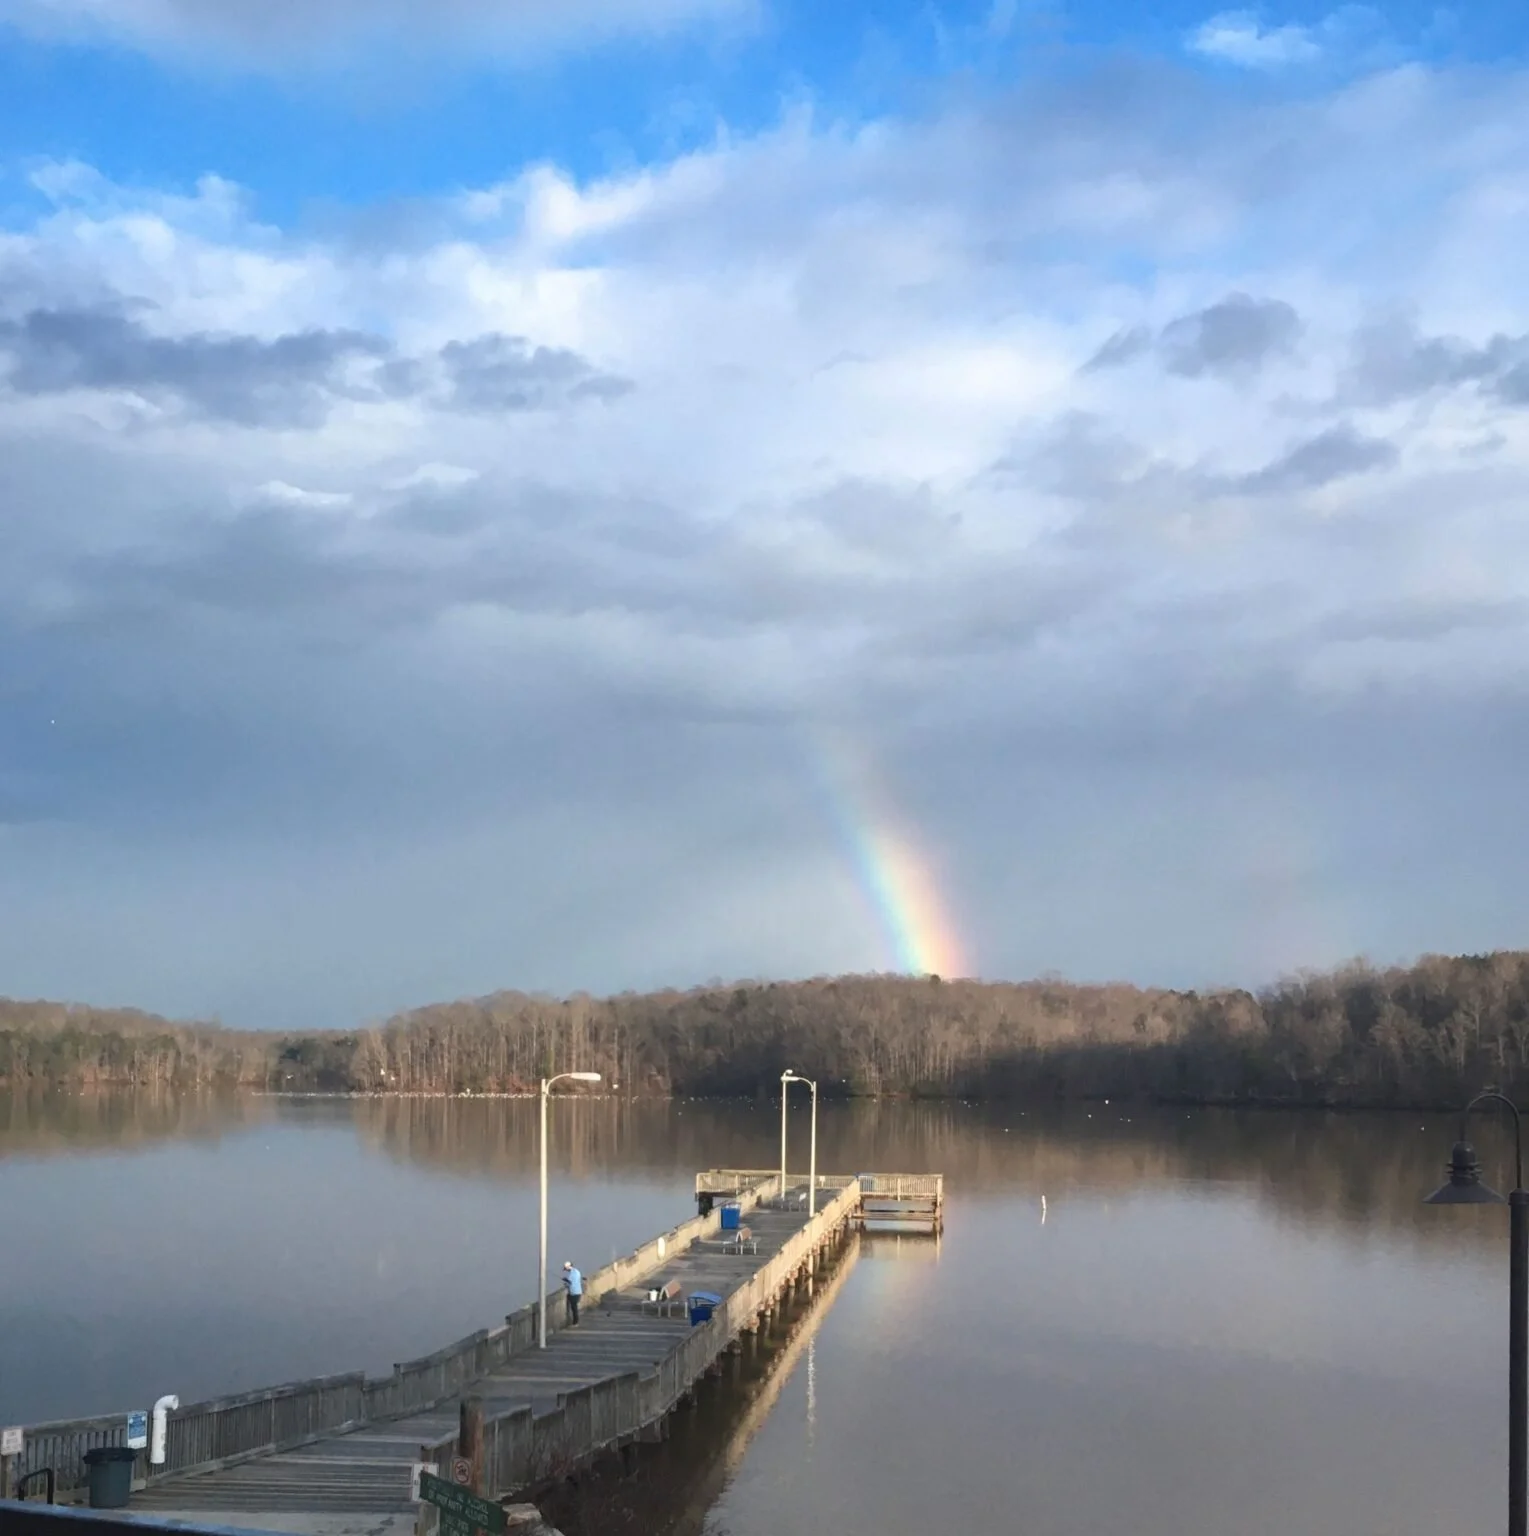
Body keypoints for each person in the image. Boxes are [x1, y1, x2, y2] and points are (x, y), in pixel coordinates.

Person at [562, 1260, 583, 1325]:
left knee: (574, 1308)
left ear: (568, 1267)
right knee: (574, 1307)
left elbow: (570, 1283)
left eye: (566, 1269)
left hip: (574, 1293)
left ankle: (575, 1322)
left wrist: (565, 1281)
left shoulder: (572, 1274)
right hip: (578, 1292)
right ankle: (575, 1321)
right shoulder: (576, 1271)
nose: (566, 1270)